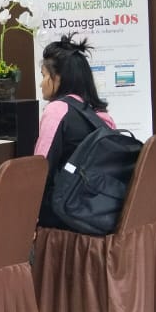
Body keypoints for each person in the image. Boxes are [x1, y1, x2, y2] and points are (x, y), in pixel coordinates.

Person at [34, 36, 116, 230]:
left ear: (58, 78)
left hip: (64, 213)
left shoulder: (57, 109)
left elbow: (40, 167)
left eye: (44, 75)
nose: (41, 84)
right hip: (99, 211)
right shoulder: (101, 116)